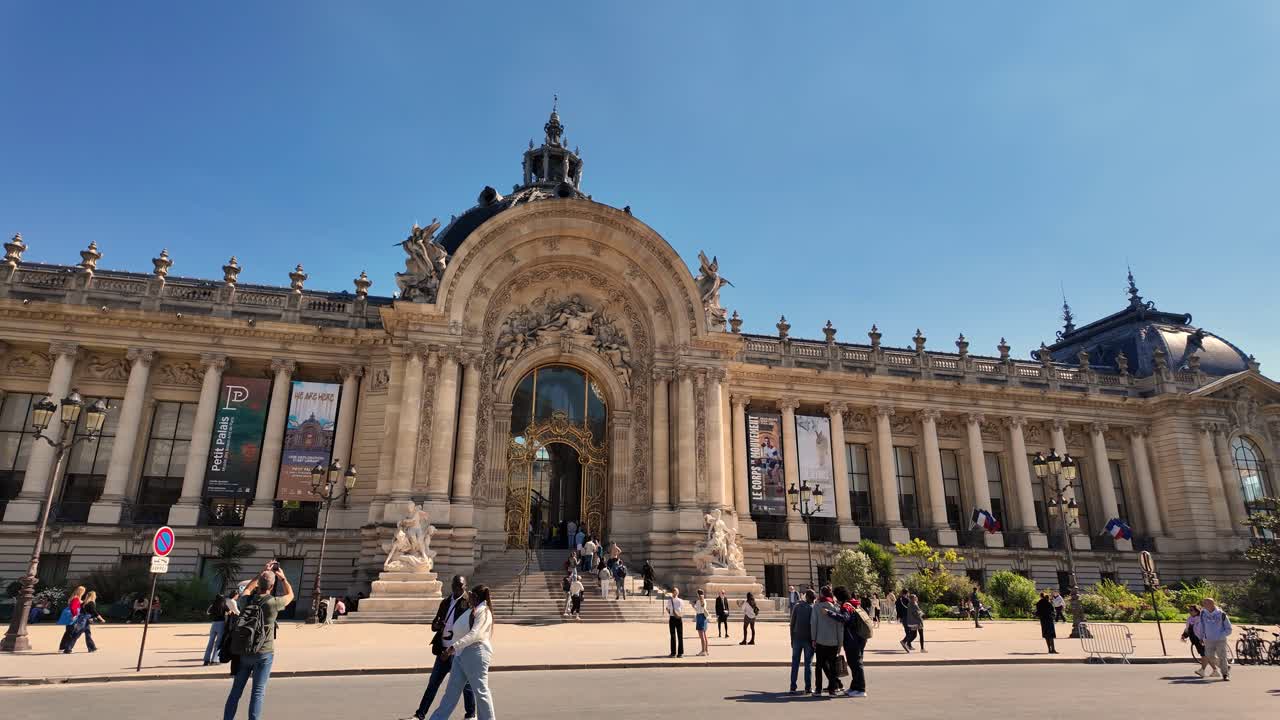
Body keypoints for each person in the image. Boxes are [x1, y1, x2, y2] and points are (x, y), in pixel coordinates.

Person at [223, 562, 294, 720]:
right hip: (264, 653)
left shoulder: (246, 600)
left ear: (259, 585)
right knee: (258, 692)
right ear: (272, 586)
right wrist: (283, 578)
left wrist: (262, 572)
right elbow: (291, 595)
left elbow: (247, 589)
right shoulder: (273, 603)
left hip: (244, 651)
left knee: (236, 692)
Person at [406, 575, 475, 720]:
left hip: (458, 653)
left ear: (465, 586)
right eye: (455, 586)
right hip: (443, 651)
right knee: (433, 684)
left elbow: (471, 629)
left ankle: (470, 715)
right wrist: (437, 625)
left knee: (466, 686)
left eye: (460, 586)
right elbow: (434, 624)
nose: (457, 589)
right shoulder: (445, 602)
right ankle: (420, 715)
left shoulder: (469, 603)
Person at [427, 585, 496, 720]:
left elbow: (475, 634)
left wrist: (452, 648)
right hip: (461, 654)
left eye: (470, 594)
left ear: (475, 596)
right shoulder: (472, 610)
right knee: (451, 693)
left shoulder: (483, 611)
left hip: (476, 654)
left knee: (481, 691)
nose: (467, 596)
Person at [827, 587, 871, 698]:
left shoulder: (846, 606)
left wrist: (830, 613)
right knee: (855, 663)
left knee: (855, 664)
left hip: (852, 639)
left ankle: (861, 689)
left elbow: (845, 619)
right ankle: (855, 687)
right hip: (860, 637)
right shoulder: (854, 603)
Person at [811, 586, 843, 697]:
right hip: (833, 642)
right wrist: (840, 643)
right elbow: (840, 627)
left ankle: (818, 689)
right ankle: (832, 690)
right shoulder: (836, 607)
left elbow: (813, 624)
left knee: (819, 666)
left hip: (820, 640)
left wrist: (813, 638)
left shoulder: (817, 606)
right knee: (833, 666)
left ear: (822, 594)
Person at [1196, 598, 1232, 681]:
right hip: (1208, 640)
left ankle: (1225, 674)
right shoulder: (1203, 614)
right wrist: (1201, 637)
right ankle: (1225, 666)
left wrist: (1222, 635)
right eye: (1204, 603)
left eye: (1206, 603)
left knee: (1222, 657)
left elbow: (1228, 628)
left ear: (1212, 604)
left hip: (1220, 640)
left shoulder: (1221, 614)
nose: (1204, 605)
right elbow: (1201, 626)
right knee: (1209, 656)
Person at [788, 588, 815, 695]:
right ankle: (808, 687)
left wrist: (791, 639)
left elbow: (792, 624)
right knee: (808, 664)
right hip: (808, 639)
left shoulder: (797, 606)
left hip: (797, 638)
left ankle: (792, 687)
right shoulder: (813, 608)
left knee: (795, 663)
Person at [205, 592, 231, 665]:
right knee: (218, 643)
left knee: (210, 642)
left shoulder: (213, 605)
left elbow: (207, 612)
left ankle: (206, 660)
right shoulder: (224, 605)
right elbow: (230, 612)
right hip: (221, 624)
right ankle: (214, 660)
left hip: (214, 624)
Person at [58, 585, 85, 652]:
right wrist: (74, 615)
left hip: (71, 616)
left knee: (68, 632)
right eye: (83, 591)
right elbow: (73, 607)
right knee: (70, 632)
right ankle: (66, 647)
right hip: (73, 617)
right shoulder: (76, 598)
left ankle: (62, 647)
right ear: (81, 592)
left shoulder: (74, 597)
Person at [666, 588, 685, 658]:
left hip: (672, 618)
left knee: (673, 635)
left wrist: (671, 613)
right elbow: (682, 609)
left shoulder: (669, 601)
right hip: (678, 618)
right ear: (678, 593)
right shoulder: (681, 601)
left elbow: (667, 609)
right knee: (680, 636)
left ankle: (673, 653)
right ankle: (680, 653)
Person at [693, 589, 710, 656]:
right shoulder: (704, 600)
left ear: (698, 594)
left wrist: (693, 605)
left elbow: (697, 609)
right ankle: (706, 650)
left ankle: (703, 651)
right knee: (704, 635)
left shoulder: (698, 601)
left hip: (700, 617)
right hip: (704, 617)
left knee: (701, 635)